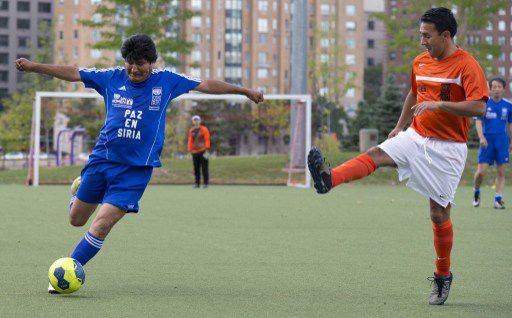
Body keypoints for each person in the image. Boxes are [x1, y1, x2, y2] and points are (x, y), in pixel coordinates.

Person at [14, 34, 264, 293]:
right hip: (102, 160)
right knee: (76, 219)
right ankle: (79, 190)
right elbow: (73, 72)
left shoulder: (167, 81)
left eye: (141, 64)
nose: (134, 69)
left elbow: (207, 85)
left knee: (101, 224)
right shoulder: (111, 78)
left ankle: (71, 267)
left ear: (152, 63)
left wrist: (244, 91)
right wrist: (34, 66)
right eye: (130, 63)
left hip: (135, 171)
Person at [307, 8, 488, 305]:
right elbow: (414, 94)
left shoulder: (467, 66)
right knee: (375, 154)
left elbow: (479, 108)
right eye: (420, 35)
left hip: (448, 149)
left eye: (427, 36)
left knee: (438, 213)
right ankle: (328, 179)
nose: (422, 42)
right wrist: (399, 126)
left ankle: (443, 274)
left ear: (445, 35)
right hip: (416, 136)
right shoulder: (420, 61)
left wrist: (439, 107)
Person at [473, 77, 512, 209]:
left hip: (502, 142)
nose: (496, 89)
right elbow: (478, 121)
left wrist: (510, 142)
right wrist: (481, 137)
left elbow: (510, 126)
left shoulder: (508, 105)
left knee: (501, 172)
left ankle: (498, 199)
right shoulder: (484, 104)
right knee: (481, 172)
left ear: (503, 89)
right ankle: (476, 192)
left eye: (499, 87)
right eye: (493, 87)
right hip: (487, 142)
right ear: (490, 89)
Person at [188, 115, 210, 188]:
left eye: (197, 120)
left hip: (203, 151)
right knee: (196, 169)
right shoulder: (191, 130)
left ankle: (206, 183)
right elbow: (190, 141)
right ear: (193, 121)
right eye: (194, 120)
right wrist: (189, 150)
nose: (196, 121)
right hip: (194, 152)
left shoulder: (204, 129)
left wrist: (207, 149)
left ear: (200, 121)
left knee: (205, 168)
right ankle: (197, 183)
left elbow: (207, 139)